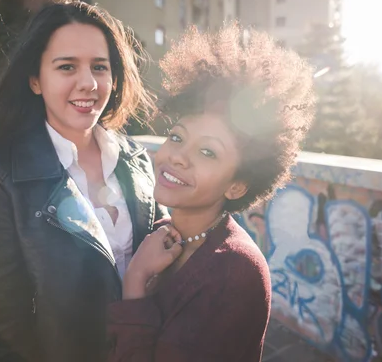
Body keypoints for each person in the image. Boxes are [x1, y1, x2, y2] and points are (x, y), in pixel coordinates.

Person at [0, 0, 168, 362]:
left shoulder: (136, 159)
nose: (89, 83)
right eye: (67, 67)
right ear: (35, 80)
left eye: (100, 67)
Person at [106, 23, 316, 361]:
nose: (177, 156)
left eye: (207, 152)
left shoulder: (235, 271)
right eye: (176, 137)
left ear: (237, 184)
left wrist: (135, 281)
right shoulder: (163, 234)